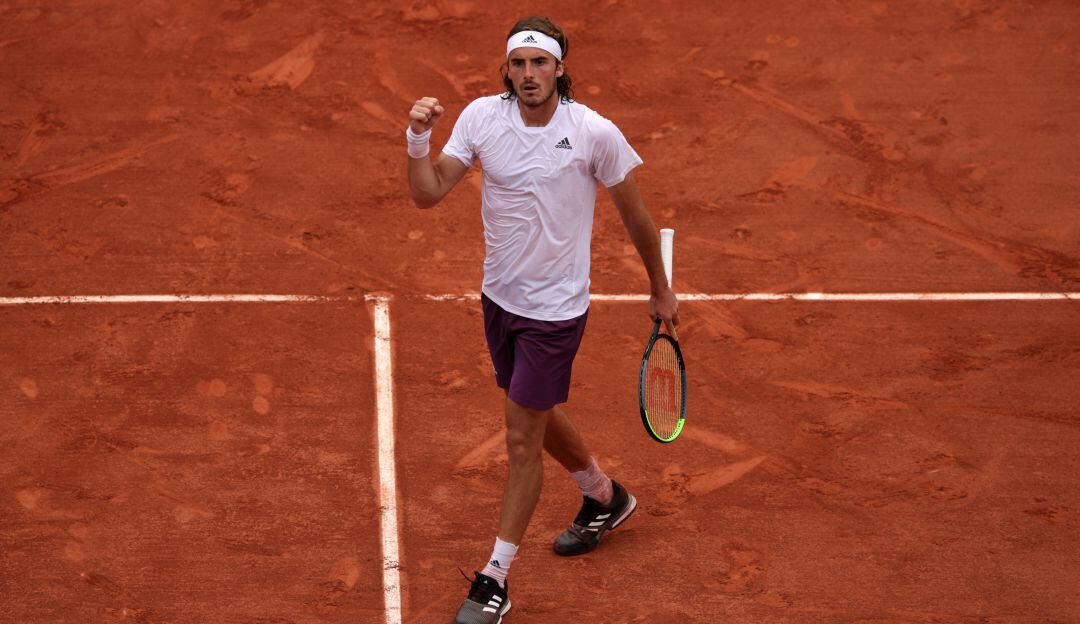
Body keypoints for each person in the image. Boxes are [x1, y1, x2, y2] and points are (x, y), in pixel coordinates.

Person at [405, 16, 680, 624]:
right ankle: (605, 497)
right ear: (507, 70)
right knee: (535, 407)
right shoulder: (481, 118)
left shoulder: (592, 133)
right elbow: (426, 194)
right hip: (498, 299)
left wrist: (660, 288)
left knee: (521, 435)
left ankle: (494, 580)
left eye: (540, 63)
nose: (528, 74)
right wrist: (417, 138)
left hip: (555, 312)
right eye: (518, 64)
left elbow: (636, 216)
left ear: (560, 69)